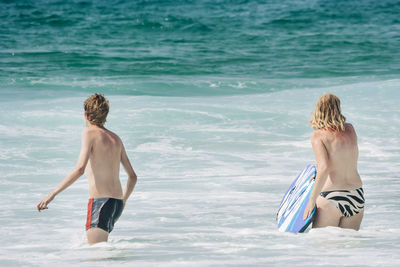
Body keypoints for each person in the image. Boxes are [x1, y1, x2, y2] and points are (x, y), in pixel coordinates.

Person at [37, 93, 137, 244]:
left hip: (101, 202)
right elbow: (133, 176)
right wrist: (123, 201)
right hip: (116, 204)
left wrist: (52, 195)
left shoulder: (89, 133)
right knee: (102, 255)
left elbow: (80, 169)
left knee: (96, 258)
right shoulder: (116, 138)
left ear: (87, 116)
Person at [303, 93, 364, 231]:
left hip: (332, 197)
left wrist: (311, 200)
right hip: (356, 195)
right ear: (338, 108)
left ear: (319, 109)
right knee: (348, 246)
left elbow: (324, 167)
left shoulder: (317, 135)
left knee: (324, 248)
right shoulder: (350, 129)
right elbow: (342, 158)